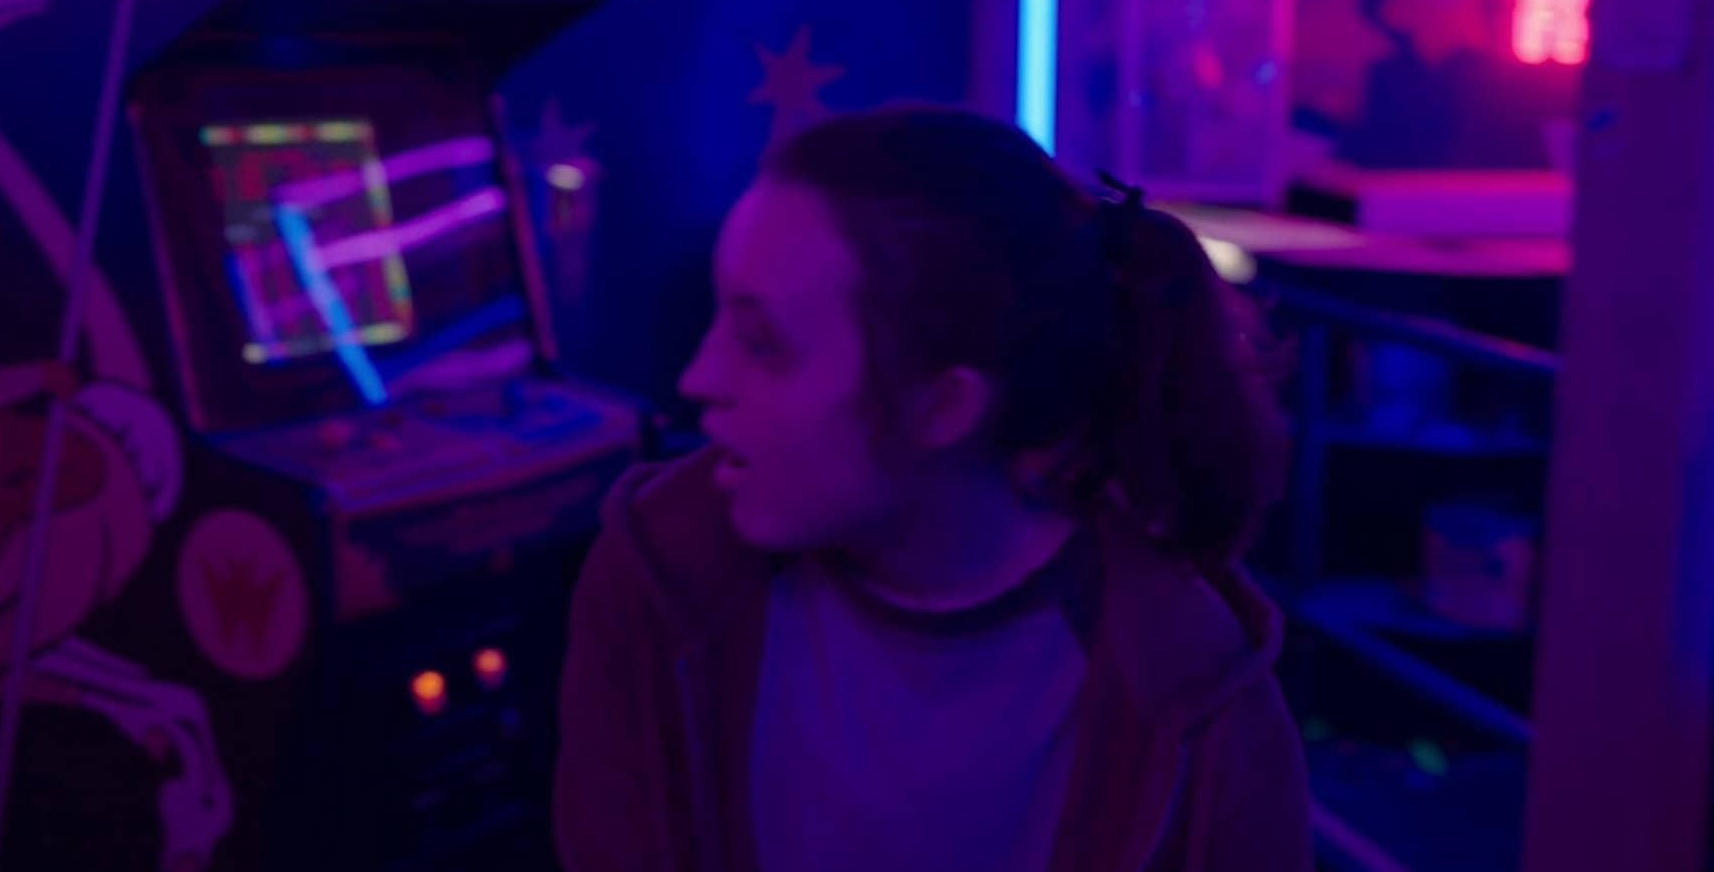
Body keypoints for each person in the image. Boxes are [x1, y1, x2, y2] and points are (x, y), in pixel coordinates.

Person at [554, 105, 1312, 872]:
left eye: (762, 344)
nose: (699, 378)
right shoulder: (659, 578)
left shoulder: (1193, 693)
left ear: (942, 406)